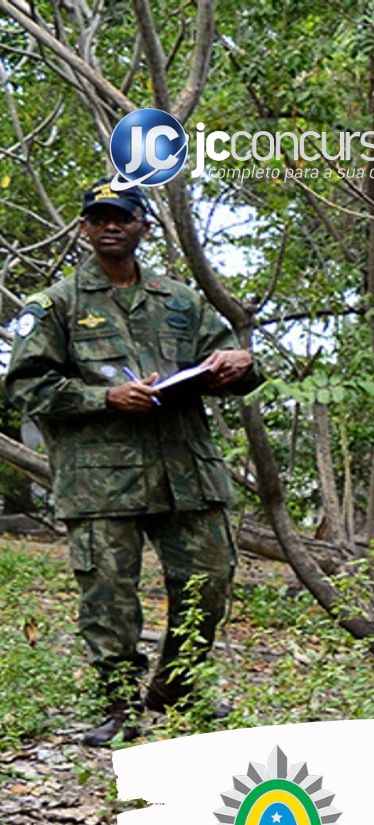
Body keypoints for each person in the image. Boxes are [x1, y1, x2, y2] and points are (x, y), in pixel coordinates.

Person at [5, 181, 261, 746]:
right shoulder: (56, 306)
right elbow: (26, 386)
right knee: (109, 595)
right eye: (98, 218)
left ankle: (177, 687)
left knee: (209, 580)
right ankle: (118, 702)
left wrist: (238, 364)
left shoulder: (180, 300)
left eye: (121, 217)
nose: (109, 226)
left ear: (144, 226)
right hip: (102, 481)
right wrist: (104, 398)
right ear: (83, 229)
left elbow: (232, 367)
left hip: (185, 473)